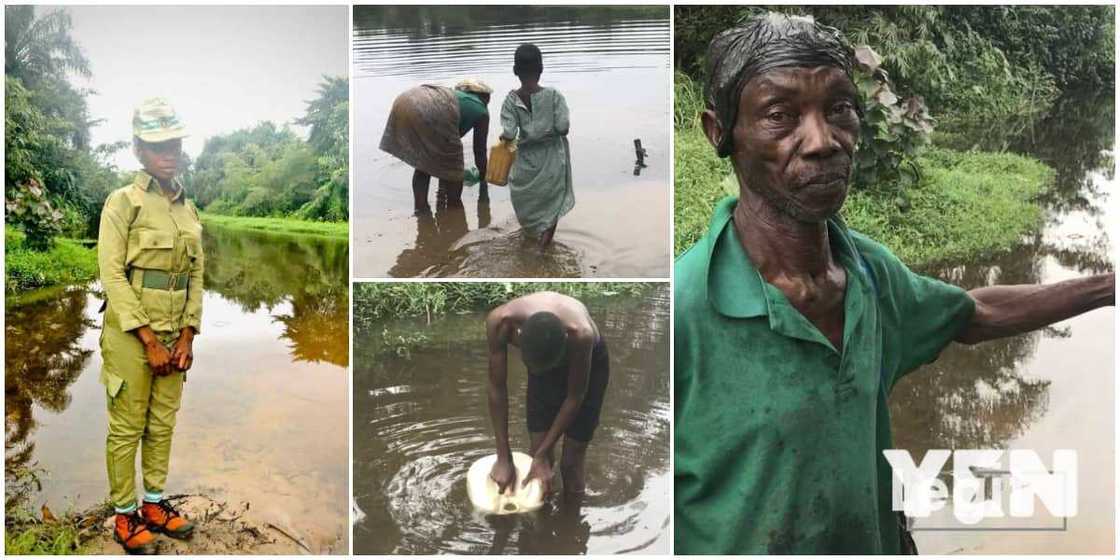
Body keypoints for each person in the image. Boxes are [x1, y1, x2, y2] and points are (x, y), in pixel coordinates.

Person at [673, 13, 1115, 555]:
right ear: (720, 133)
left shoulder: (869, 275)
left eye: (839, 109)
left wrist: (1106, 287)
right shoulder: (683, 308)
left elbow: (972, 315)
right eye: (779, 115)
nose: (822, 141)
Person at [98, 98, 202, 553]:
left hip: (174, 334)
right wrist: (147, 338)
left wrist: (187, 335)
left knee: (162, 425)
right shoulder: (123, 203)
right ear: (139, 149)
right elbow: (112, 275)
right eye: (159, 145)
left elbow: (196, 276)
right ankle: (124, 516)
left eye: (175, 143)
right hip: (129, 336)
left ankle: (155, 504)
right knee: (127, 427)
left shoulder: (189, 209)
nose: (169, 152)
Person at [485, 292, 609, 501]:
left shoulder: (580, 334)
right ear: (520, 337)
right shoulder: (500, 323)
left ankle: (572, 523)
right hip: (541, 359)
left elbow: (574, 396)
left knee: (572, 461)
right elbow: (497, 387)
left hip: (588, 364)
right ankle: (539, 520)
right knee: (536, 453)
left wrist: (544, 454)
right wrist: (503, 457)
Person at [499, 44, 574, 249]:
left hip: (525, 162)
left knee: (529, 203)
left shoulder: (510, 101)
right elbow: (563, 127)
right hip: (551, 160)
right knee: (552, 204)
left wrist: (504, 139)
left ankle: (532, 241)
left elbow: (508, 134)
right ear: (541, 68)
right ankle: (542, 248)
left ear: (515, 71)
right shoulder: (554, 96)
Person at [380, 79, 492, 213]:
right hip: (431, 109)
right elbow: (479, 150)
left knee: (423, 163)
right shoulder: (481, 110)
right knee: (455, 168)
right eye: (488, 98)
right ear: (482, 97)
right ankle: (454, 210)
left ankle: (420, 209)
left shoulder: (455, 96)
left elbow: (441, 154)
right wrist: (484, 177)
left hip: (405, 100)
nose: (488, 102)